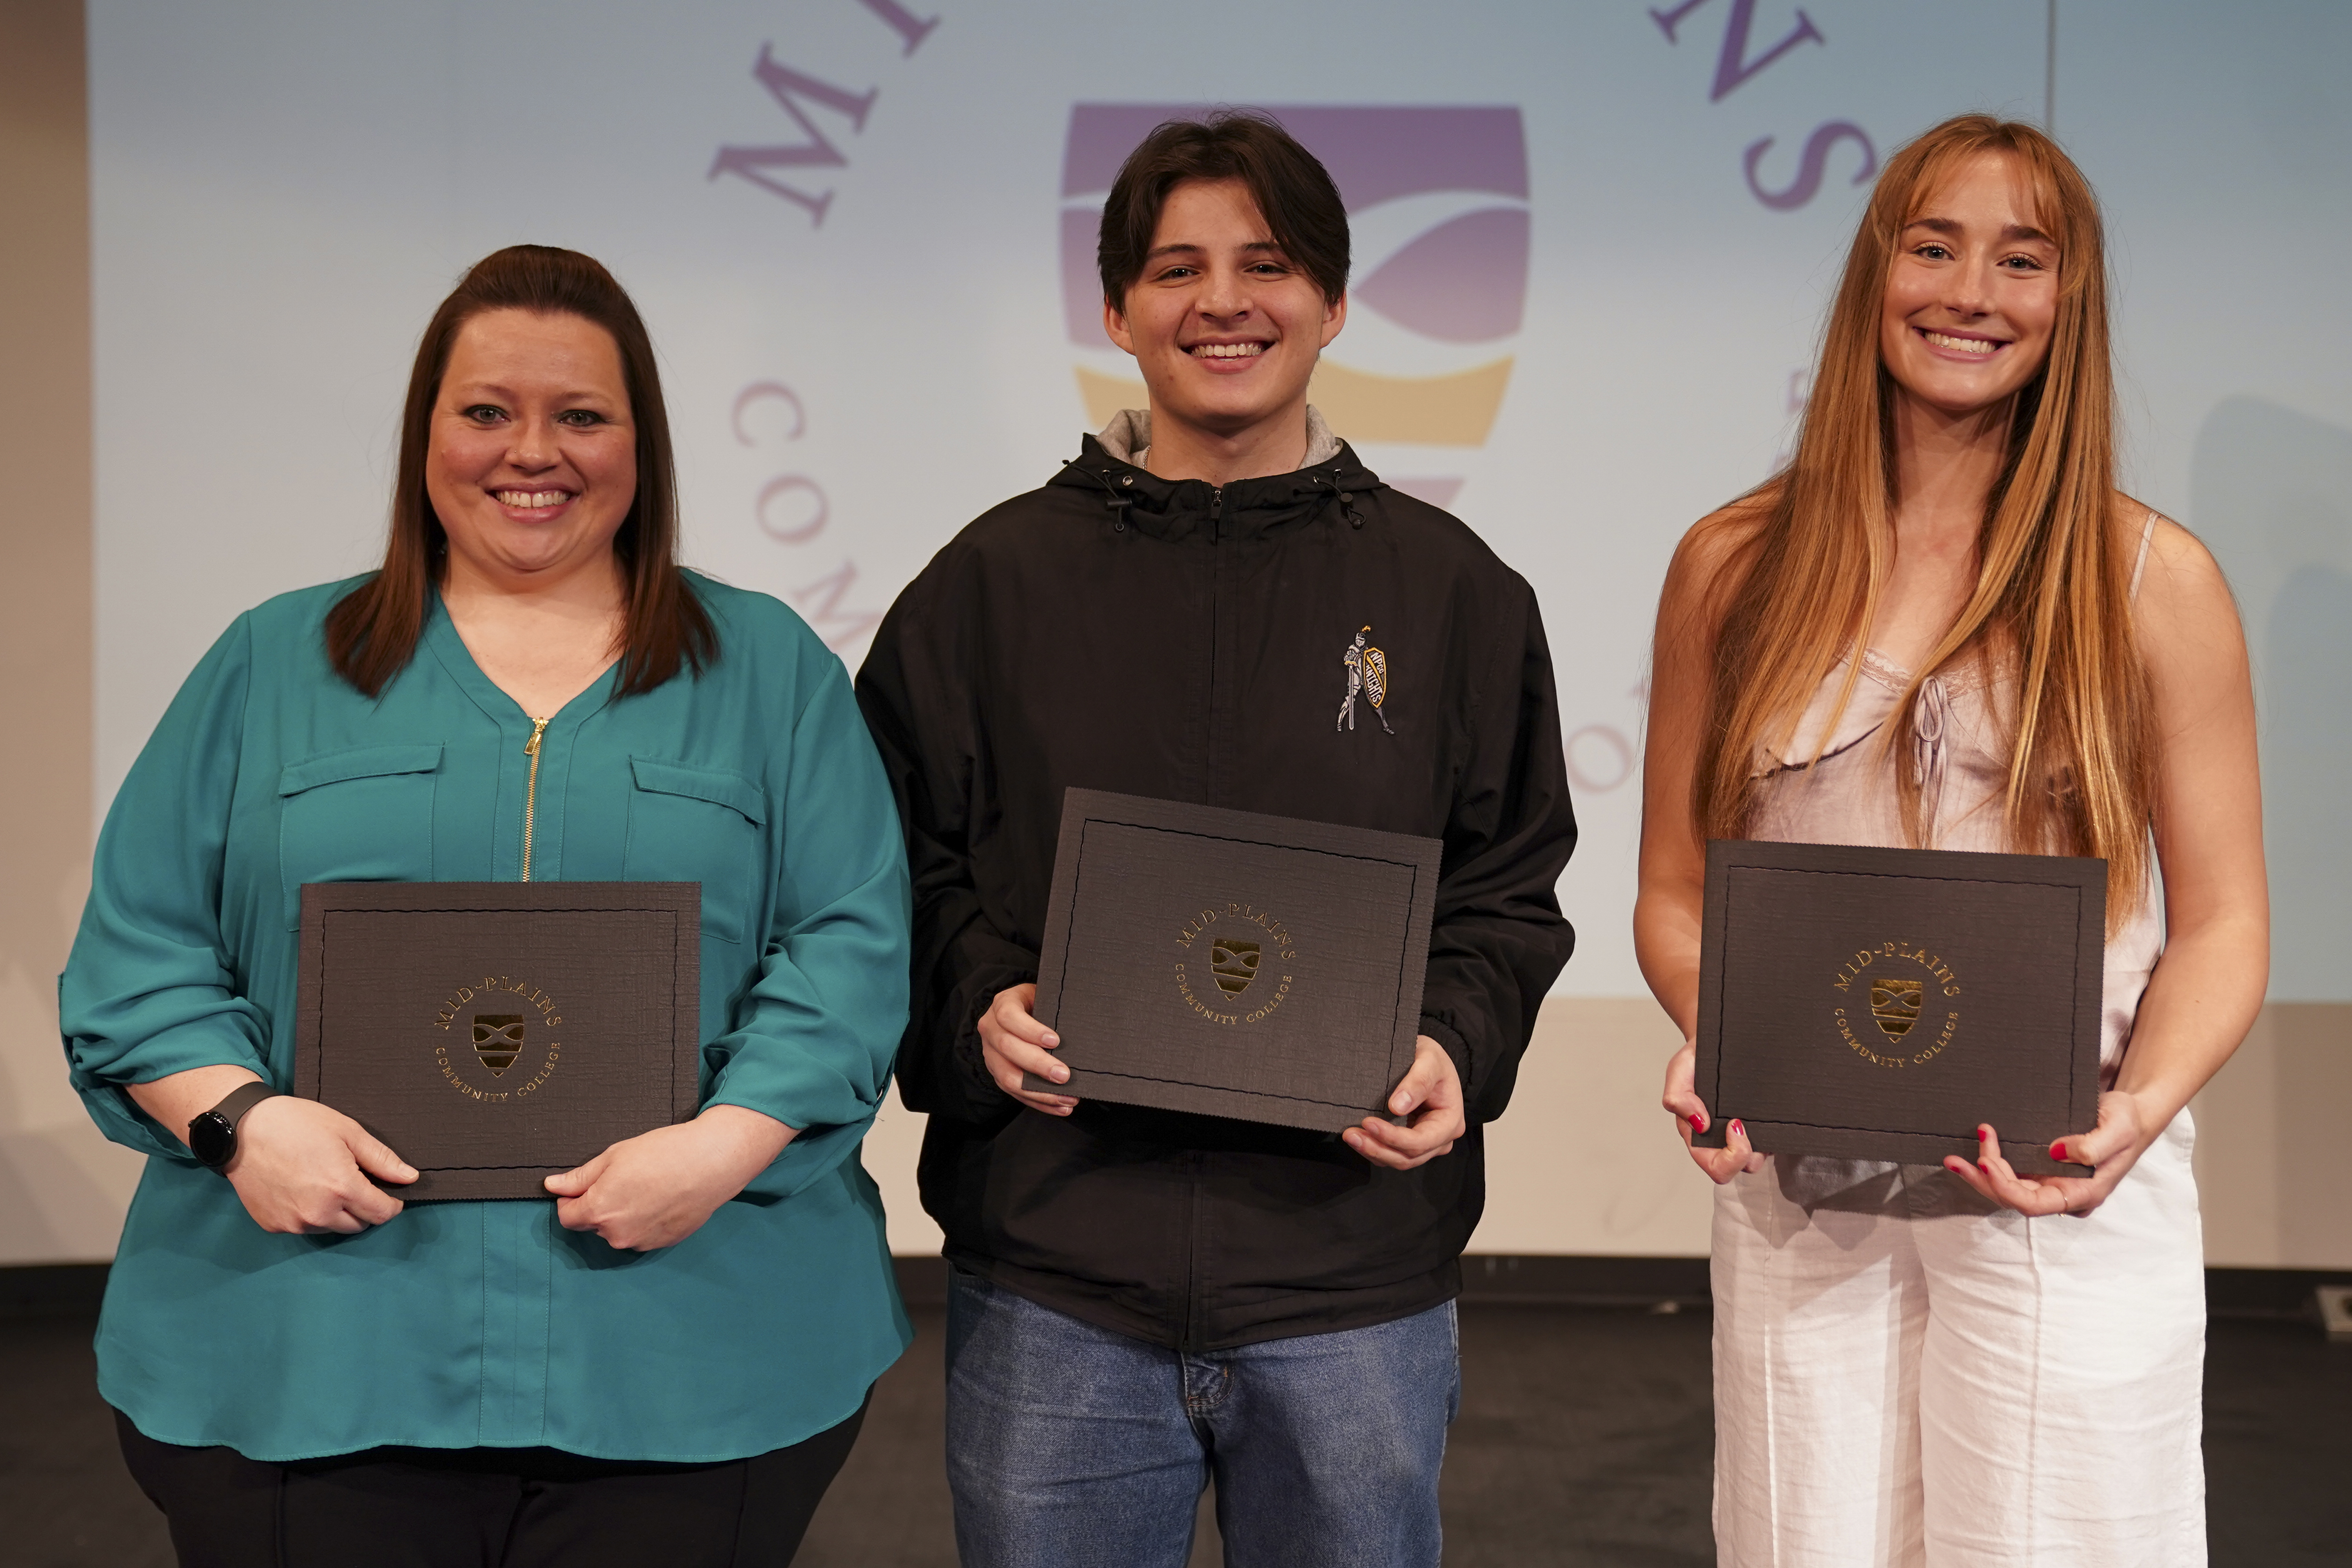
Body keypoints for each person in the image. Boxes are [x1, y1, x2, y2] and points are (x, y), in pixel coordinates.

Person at [60, 245, 913, 1566]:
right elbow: (140, 951)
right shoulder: (269, 661)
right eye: (486, 412)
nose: (534, 452)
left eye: (582, 415)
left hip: (691, 1350)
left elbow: (849, 948)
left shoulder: (771, 673)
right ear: (426, 437)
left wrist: (723, 1146)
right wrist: (240, 1125)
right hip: (312, 1352)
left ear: (644, 446)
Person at [855, 112, 1578, 1568]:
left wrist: (1451, 1041)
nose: (1224, 301)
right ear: (1117, 311)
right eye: (1176, 269)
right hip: (1061, 1277)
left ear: (1332, 301)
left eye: (1267, 264)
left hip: (1352, 1279)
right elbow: (886, 871)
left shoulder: (1454, 595)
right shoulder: (988, 584)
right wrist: (974, 1001)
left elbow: (1508, 891)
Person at [1635, 115, 2267, 1563]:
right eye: (1934, 246)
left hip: (2063, 1192)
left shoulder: (2152, 581)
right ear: (1875, 272)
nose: (1970, 291)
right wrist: (1712, 1033)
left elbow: (2227, 924)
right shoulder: (1732, 565)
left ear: (2070, 302)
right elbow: (1676, 893)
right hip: (1806, 1189)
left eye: (2020, 258)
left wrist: (2135, 1113)